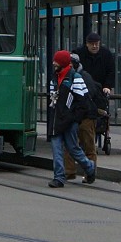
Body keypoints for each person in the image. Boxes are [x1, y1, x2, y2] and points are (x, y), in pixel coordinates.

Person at [67, 32, 115, 177]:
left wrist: (107, 86)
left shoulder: (106, 55)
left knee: (80, 141)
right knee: (75, 141)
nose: (95, 46)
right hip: (84, 103)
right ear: (86, 44)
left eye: (97, 44)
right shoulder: (78, 56)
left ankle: (88, 171)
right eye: (92, 44)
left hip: (96, 96)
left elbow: (111, 72)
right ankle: (74, 171)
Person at [47, 50, 97, 188]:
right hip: (57, 121)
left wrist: (74, 119)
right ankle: (59, 177)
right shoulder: (54, 78)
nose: (53, 63)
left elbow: (83, 103)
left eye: (56, 61)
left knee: (73, 148)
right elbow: (53, 101)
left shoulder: (75, 78)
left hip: (69, 122)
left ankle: (90, 167)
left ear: (63, 63)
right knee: (57, 149)